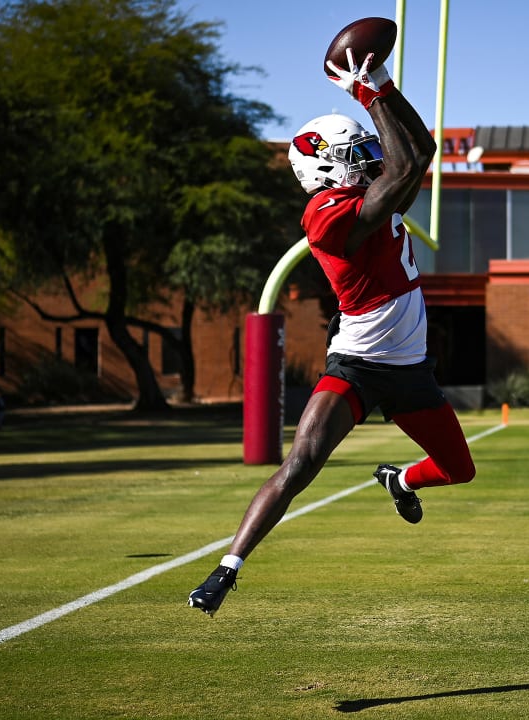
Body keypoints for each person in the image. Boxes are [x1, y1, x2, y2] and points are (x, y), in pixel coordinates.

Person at [187, 47, 476, 616]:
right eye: (356, 153)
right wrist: (366, 95)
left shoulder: (369, 194)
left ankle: (401, 481)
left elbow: (421, 153)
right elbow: (405, 166)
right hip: (359, 365)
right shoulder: (327, 213)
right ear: (325, 166)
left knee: (457, 470)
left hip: (411, 370)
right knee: (301, 463)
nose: (369, 158)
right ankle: (227, 570)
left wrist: (384, 83)